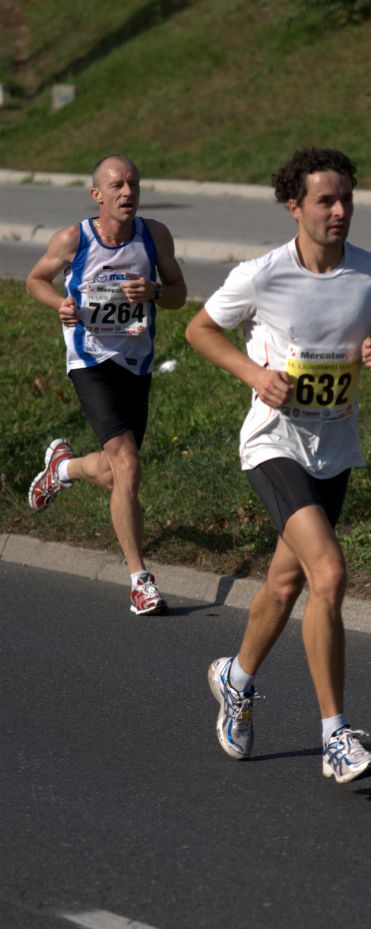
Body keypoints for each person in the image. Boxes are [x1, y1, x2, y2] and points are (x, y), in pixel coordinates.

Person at [186, 147, 371, 784]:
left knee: (287, 585)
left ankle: (236, 678)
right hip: (274, 443)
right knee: (329, 574)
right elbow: (201, 330)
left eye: (346, 200)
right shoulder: (262, 275)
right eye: (324, 201)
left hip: (333, 450)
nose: (339, 212)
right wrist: (255, 374)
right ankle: (336, 738)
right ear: (295, 206)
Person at [26, 154, 187, 615]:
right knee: (128, 463)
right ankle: (141, 581)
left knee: (116, 472)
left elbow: (179, 293)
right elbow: (34, 280)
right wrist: (59, 303)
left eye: (133, 184)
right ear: (97, 194)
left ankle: (63, 469)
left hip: (136, 361)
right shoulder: (74, 238)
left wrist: (154, 292)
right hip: (89, 359)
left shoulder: (154, 236)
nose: (127, 192)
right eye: (116, 185)